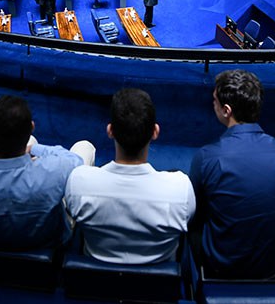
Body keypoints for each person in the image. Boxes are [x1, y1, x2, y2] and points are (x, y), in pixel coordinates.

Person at [190, 70, 275, 279]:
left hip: (220, 269)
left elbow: (196, 213)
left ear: (226, 110)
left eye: (214, 100)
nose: (212, 104)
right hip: (273, 268)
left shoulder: (207, 157)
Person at [65, 88, 195, 264]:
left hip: (94, 284)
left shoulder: (78, 183)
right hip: (159, 287)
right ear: (155, 132)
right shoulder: (181, 189)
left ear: (110, 131)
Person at [0, 95, 95, 250]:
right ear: (32, 126)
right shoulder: (53, 170)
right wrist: (33, 150)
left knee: (32, 141)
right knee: (84, 147)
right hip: (47, 247)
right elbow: (75, 160)